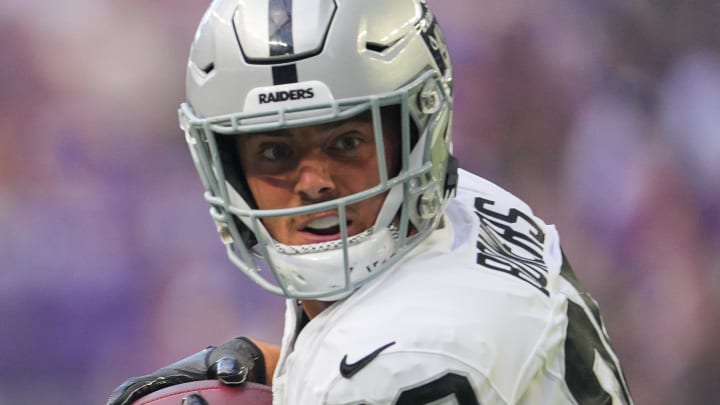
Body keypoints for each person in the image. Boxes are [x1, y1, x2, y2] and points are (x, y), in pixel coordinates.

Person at [108, 0, 633, 403]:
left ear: (412, 135)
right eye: (274, 150)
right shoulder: (465, 205)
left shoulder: (399, 363)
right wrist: (274, 369)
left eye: (345, 143)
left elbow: (389, 362)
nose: (313, 182)